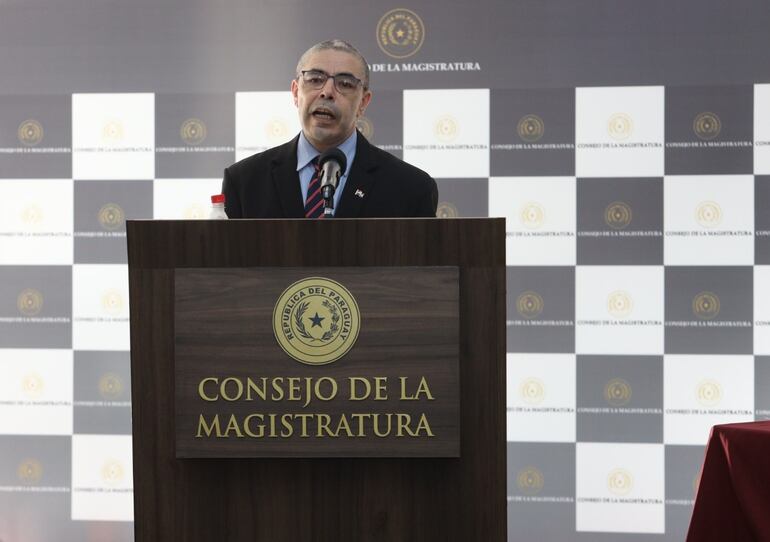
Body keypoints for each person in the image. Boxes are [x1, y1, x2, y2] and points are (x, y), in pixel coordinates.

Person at [222, 39, 438, 218]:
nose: (327, 92)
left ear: (363, 102)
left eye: (344, 84)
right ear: (296, 93)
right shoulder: (244, 181)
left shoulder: (411, 188)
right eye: (315, 79)